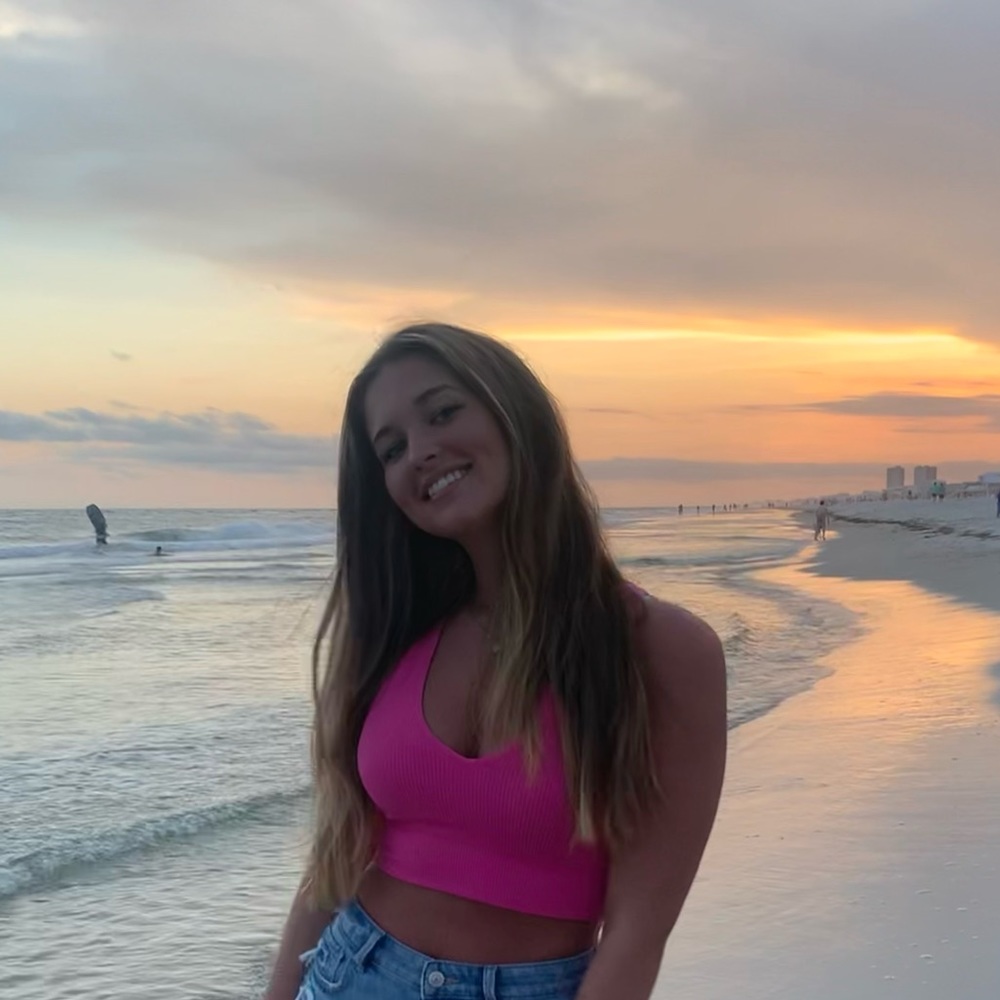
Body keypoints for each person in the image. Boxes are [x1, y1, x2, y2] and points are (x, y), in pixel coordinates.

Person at [264, 323, 727, 1000]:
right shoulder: (394, 636)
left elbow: (637, 932)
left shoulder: (661, 649)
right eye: (390, 448)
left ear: (514, 411)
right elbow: (331, 864)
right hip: (348, 974)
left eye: (443, 412)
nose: (420, 452)